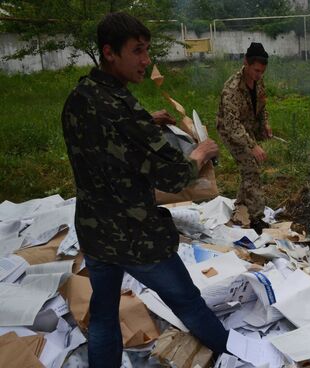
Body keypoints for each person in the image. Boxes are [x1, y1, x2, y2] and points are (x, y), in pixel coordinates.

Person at [61, 12, 227, 367]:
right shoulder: (123, 111)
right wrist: (200, 152)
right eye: (137, 51)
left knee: (104, 314)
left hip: (95, 233)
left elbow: (102, 140)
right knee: (187, 301)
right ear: (110, 52)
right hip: (135, 236)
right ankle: (237, 355)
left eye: (147, 50)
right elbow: (172, 176)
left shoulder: (83, 95)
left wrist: (144, 122)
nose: (146, 60)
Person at [216, 42, 273, 233]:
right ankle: (256, 218)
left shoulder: (258, 81)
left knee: (247, 169)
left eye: (262, 72)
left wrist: (265, 123)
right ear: (245, 63)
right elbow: (232, 125)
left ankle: (241, 205)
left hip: (247, 128)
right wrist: (252, 145)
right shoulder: (231, 89)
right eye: (256, 70)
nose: (259, 75)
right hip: (231, 132)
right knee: (252, 168)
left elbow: (262, 105)